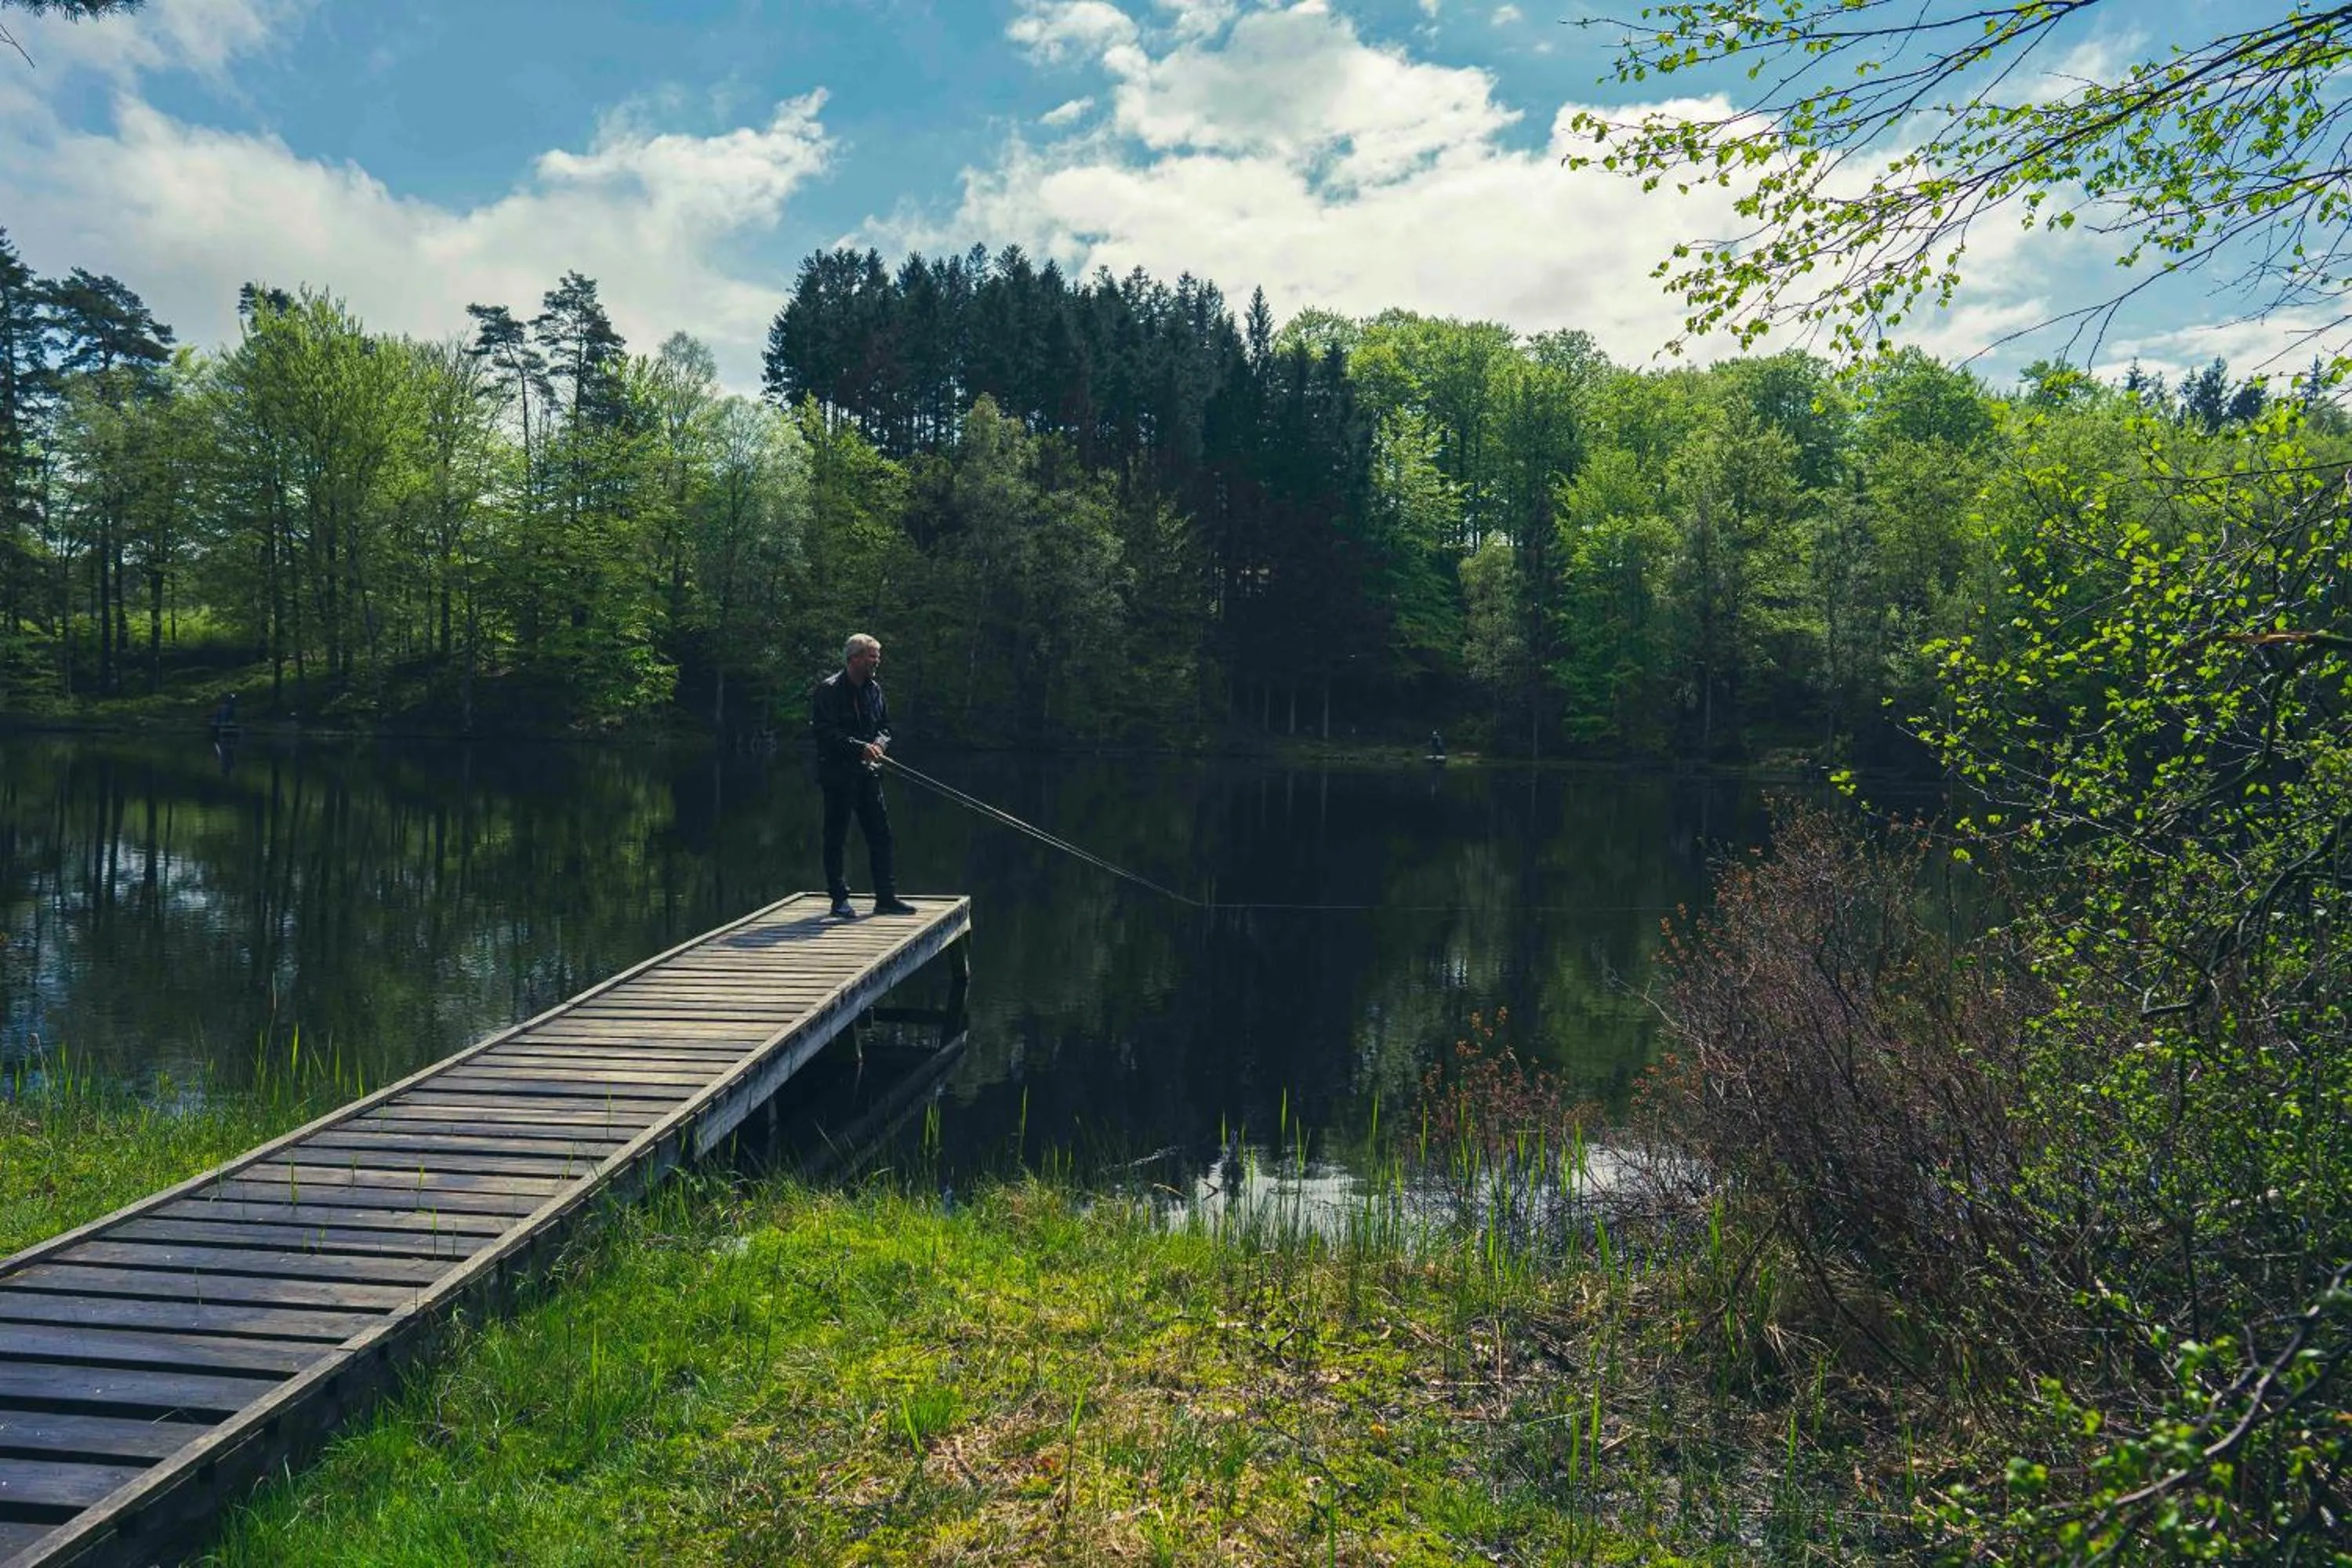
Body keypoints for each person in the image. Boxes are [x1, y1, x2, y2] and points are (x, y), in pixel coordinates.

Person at [810, 633, 916, 920]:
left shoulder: (875, 690)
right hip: (838, 777)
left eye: (877, 657)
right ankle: (839, 899)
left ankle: (886, 898)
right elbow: (824, 732)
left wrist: (879, 744)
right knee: (836, 838)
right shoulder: (828, 690)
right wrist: (860, 748)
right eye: (872, 656)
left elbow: (885, 726)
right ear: (855, 658)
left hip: (868, 776)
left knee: (881, 836)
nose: (877, 661)